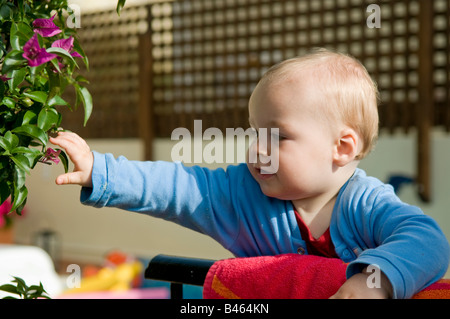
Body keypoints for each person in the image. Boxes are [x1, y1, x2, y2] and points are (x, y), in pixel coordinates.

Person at [50, 48, 450, 299]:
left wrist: (373, 281)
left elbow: (426, 239)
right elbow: (177, 188)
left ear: (342, 148)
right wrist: (100, 171)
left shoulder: (366, 203)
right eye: (255, 132)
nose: (257, 149)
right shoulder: (242, 195)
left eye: (278, 137)